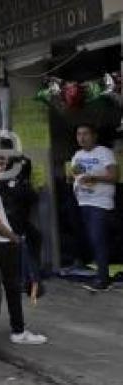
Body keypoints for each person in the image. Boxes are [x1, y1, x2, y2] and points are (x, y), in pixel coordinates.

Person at [0, 152, 46, 345]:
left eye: (3, 165)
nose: (1, 169)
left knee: (2, 287)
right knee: (11, 288)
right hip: (1, 244)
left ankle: (3, 328)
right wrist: (14, 238)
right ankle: (18, 331)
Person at [70, 123, 117, 292]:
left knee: (98, 239)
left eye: (85, 134)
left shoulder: (104, 152)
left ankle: (103, 278)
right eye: (78, 134)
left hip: (100, 203)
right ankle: (100, 273)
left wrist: (94, 177)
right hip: (83, 202)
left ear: (94, 135)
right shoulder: (77, 155)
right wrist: (79, 178)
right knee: (91, 239)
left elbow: (113, 176)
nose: (81, 138)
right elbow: (77, 174)